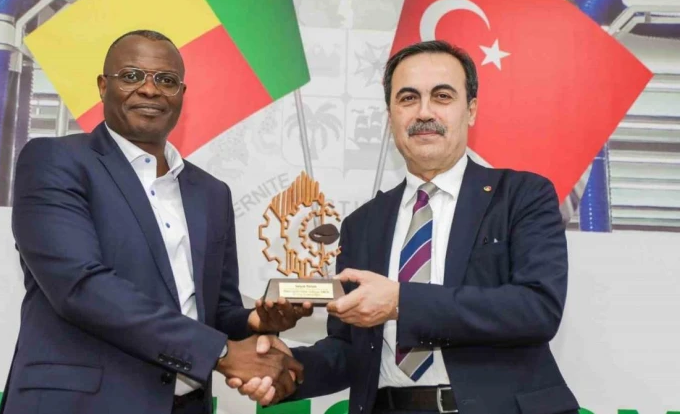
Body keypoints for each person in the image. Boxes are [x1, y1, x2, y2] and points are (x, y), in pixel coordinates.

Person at [232, 40, 580, 414]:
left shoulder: (522, 195)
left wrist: (400, 302)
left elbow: (538, 308)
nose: (424, 112)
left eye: (442, 96)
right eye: (408, 98)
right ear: (390, 115)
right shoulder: (362, 224)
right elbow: (351, 349)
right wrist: (287, 369)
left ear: (471, 110)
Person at [0, 30, 310, 414]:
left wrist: (256, 321)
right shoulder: (55, 161)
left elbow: (215, 309)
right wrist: (222, 353)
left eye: (166, 80)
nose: (150, 90)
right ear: (103, 86)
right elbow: (81, 287)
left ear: (181, 93)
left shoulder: (211, 192)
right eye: (131, 76)